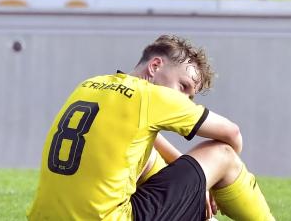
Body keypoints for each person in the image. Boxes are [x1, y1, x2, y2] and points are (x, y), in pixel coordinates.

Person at [27, 34, 275, 221]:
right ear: (155, 66)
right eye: (183, 86)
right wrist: (211, 180)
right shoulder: (151, 96)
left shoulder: (91, 84)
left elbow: (145, 147)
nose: (185, 100)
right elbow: (232, 134)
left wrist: (197, 185)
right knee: (222, 154)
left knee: (151, 163)